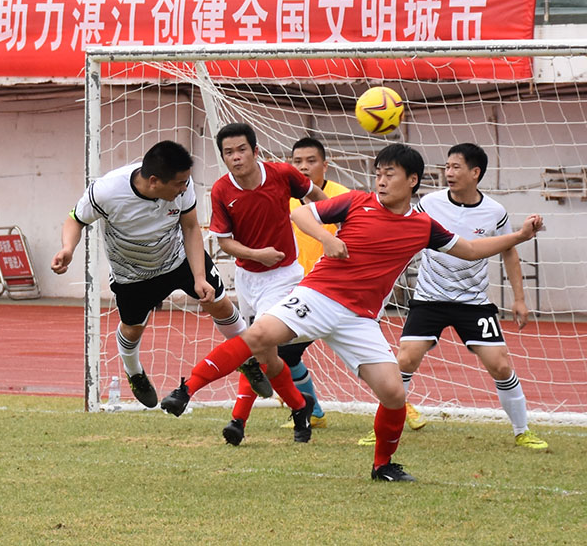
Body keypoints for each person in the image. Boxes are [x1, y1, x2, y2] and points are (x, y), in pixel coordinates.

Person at [160, 143, 544, 482]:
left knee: (393, 392)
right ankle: (186, 389)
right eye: (378, 173)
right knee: (259, 336)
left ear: (412, 181)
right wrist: (327, 239)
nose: (381, 180)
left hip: (360, 318)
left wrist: (520, 236)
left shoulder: (424, 226)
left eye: (390, 174)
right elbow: (302, 216)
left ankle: (383, 466)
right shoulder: (357, 202)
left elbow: (471, 250)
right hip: (318, 295)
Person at [51, 140, 269, 408]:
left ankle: (247, 358)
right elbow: (75, 219)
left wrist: (199, 278)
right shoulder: (106, 191)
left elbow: (190, 227)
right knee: (132, 329)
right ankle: (135, 373)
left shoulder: (183, 186)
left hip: (178, 257)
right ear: (154, 181)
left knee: (219, 303)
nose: (184, 188)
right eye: (178, 184)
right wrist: (67, 248)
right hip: (132, 273)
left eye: (185, 182)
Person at [359, 143, 547, 450]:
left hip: (473, 303)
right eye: (447, 166)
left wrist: (519, 299)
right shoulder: (429, 203)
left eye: (456, 167)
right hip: (429, 299)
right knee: (405, 359)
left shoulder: (495, 212)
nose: (449, 172)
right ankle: (381, 428)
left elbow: (509, 252)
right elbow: (406, 231)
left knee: (500, 365)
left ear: (475, 173)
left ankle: (522, 430)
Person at [210, 123, 328, 446]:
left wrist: (337, 223)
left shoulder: (282, 174)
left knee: (255, 347)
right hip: (247, 278)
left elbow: (316, 196)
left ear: (255, 151)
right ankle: (301, 407)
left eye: (241, 150)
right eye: (229, 153)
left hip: (284, 276)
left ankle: (238, 420)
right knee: (268, 358)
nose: (236, 157)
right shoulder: (221, 190)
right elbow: (225, 242)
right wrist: (256, 255)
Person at [273, 136, 352, 429]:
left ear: (325, 165)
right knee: (284, 353)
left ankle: (403, 406)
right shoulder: (283, 198)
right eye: (297, 162)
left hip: (340, 292)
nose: (303, 167)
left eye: (311, 161)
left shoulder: (342, 196)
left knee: (365, 357)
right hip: (299, 291)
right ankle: (313, 411)